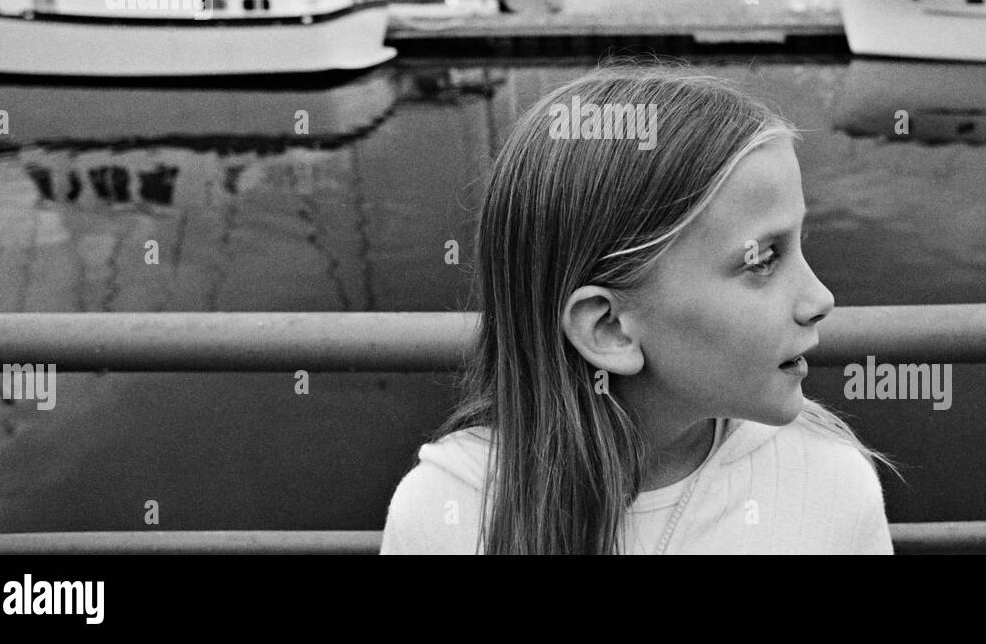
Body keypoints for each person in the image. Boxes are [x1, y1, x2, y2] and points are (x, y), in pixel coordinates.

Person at [380, 62, 895, 554]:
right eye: (763, 261)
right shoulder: (447, 512)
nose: (820, 299)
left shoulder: (831, 482)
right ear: (608, 328)